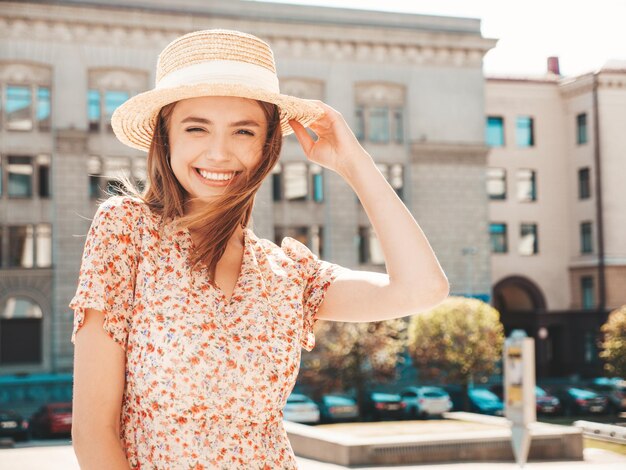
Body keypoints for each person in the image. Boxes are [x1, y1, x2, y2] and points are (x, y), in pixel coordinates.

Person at [69, 29, 449, 469]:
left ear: (268, 145)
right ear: (166, 137)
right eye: (196, 128)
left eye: (243, 131)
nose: (219, 152)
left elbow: (423, 288)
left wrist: (353, 162)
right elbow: (93, 432)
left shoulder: (288, 274)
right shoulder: (127, 231)